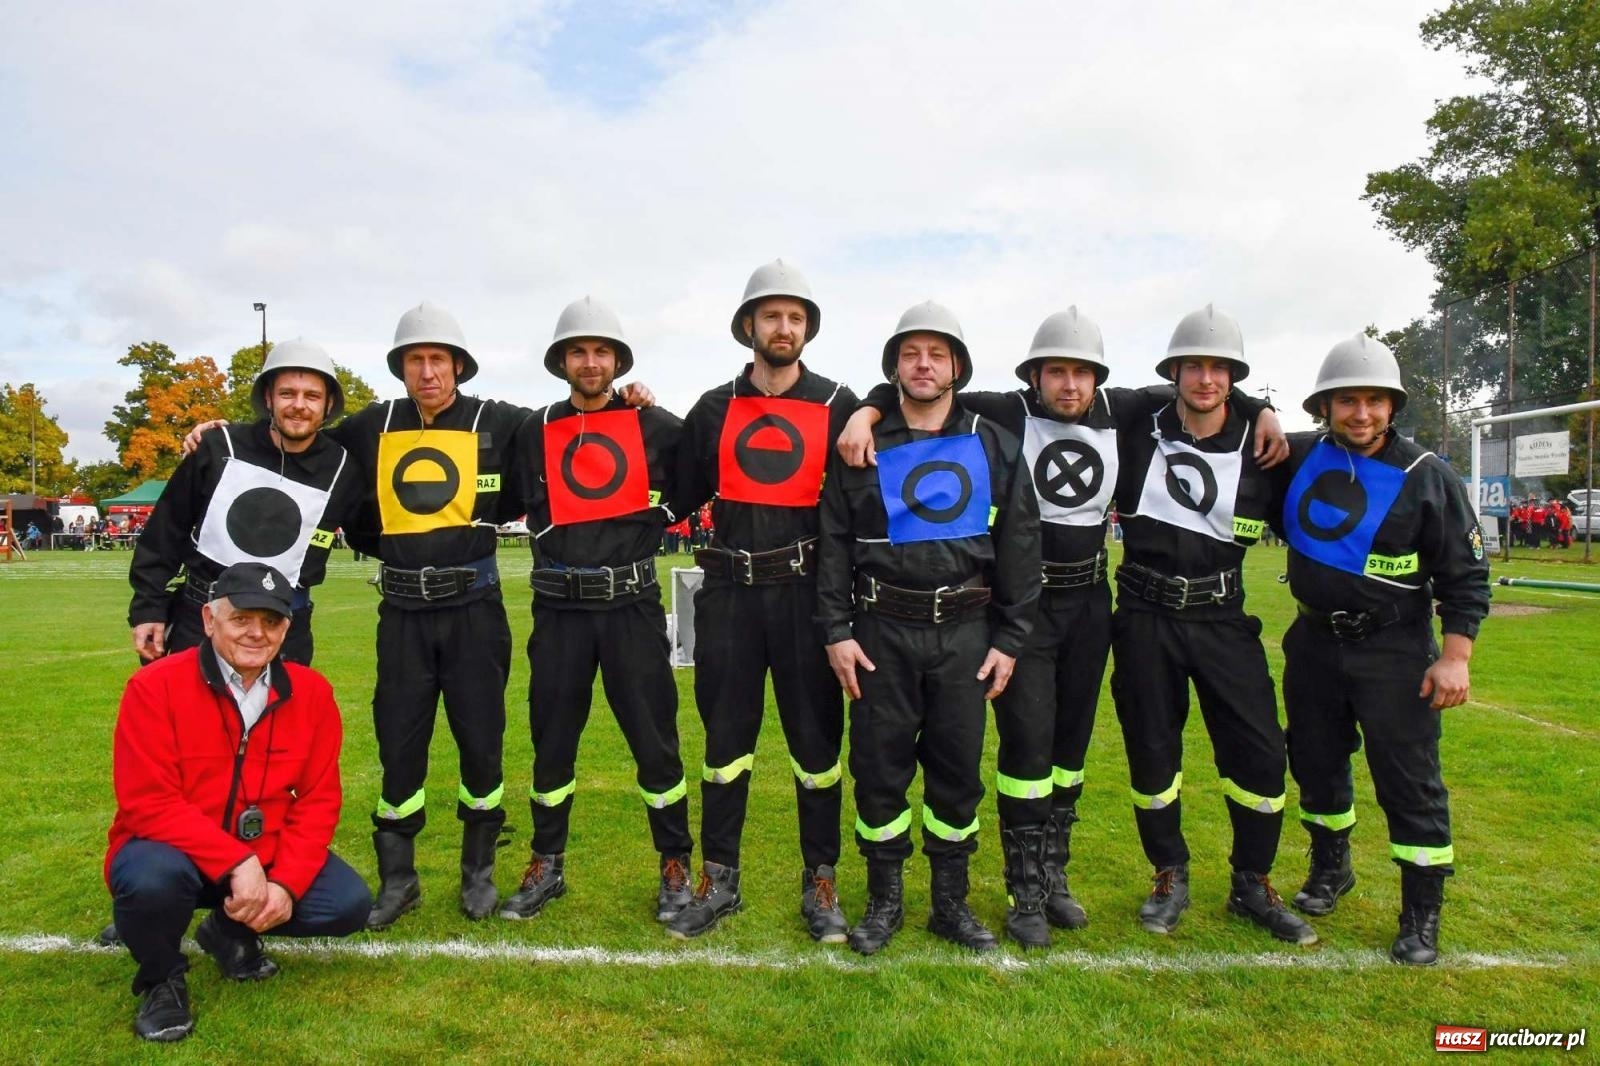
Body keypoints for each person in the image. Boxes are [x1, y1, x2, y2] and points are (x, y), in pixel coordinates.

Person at [836, 307, 1285, 947]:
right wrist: (869, 410)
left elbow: (1198, 386)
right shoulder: (1006, 411)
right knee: (1026, 745)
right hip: (1023, 602)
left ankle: (1053, 875)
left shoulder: (1125, 411)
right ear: (1034, 376)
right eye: (1056, 373)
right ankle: (1023, 892)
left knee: (1070, 749)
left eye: (1082, 374)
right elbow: (926, 387)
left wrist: (1258, 408)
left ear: (1099, 378)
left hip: (1090, 606)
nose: (1070, 386)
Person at [817, 301, 1040, 955]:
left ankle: (950, 902)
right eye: (910, 353)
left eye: (936, 354)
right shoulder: (862, 447)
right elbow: (833, 541)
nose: (923, 364)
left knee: (956, 772)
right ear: (894, 367)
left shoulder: (994, 444)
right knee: (879, 770)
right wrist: (835, 629)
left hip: (966, 635)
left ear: (957, 367)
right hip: (880, 630)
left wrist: (1010, 639)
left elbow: (1020, 545)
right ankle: (884, 901)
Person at [1274, 334, 1489, 965]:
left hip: (1394, 648)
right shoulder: (1302, 454)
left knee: (1409, 780)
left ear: (1392, 407)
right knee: (1314, 761)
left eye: (1374, 401)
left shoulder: (1428, 475)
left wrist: (1455, 657)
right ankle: (1331, 868)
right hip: (1313, 641)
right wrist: (1261, 412)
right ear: (1325, 407)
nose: (1360, 413)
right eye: (1347, 401)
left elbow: (1465, 575)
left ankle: (1421, 912)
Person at [664, 260, 858, 943]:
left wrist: (871, 409)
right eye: (772, 316)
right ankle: (719, 880)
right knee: (725, 746)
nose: (784, 328)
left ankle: (821, 881)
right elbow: (675, 487)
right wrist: (636, 410)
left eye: (796, 318)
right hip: (730, 599)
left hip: (806, 599)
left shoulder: (840, 402)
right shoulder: (714, 407)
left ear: (807, 330)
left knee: (817, 748)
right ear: (749, 326)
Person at [1109, 304, 1315, 945]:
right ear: (1173, 372)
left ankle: (1252, 880)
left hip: (1224, 617)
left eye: (1219, 368)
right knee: (1151, 750)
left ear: (1234, 376)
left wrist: (1263, 411)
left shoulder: (1265, 446)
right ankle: (1168, 873)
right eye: (1192, 366)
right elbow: (1070, 389)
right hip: (1144, 613)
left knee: (1258, 751)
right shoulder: (1134, 420)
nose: (1205, 379)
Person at [104, 562, 371, 1043]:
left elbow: (319, 800)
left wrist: (285, 883)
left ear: (287, 627)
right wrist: (235, 860)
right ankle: (162, 978)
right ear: (209, 620)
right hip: (174, 852)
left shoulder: (312, 693)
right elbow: (148, 801)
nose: (257, 633)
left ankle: (227, 931)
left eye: (271, 621)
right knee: (150, 883)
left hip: (262, 852)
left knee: (346, 903)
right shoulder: (153, 687)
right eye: (241, 618)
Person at [498, 297, 695, 925]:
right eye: (578, 351)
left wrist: (661, 509)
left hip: (631, 608)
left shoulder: (651, 426)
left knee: (655, 741)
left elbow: (704, 465)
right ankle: (545, 862)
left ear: (616, 360)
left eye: (600, 352)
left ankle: (675, 863)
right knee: (551, 743)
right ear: (561, 361)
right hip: (558, 609)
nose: (590, 362)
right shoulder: (532, 429)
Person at [128, 339, 361, 667]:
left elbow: (374, 530)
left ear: (328, 403)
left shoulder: (344, 470)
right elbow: (166, 531)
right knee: (190, 718)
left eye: (312, 396)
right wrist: (148, 608)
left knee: (275, 719)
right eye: (286, 394)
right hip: (202, 620)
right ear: (268, 398)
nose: (299, 405)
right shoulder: (217, 447)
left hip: (284, 628)